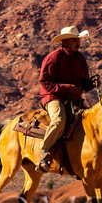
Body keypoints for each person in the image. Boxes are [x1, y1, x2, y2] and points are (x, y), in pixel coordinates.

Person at [37, 26, 94, 171]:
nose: (78, 42)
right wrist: (67, 87)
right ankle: (44, 153)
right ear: (65, 42)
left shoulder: (80, 58)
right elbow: (45, 82)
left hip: (73, 99)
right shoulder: (54, 58)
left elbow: (83, 83)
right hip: (53, 97)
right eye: (74, 40)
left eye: (78, 40)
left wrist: (90, 84)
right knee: (59, 121)